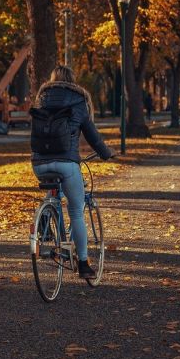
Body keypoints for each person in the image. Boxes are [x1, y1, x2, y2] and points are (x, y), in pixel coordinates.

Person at [31, 65, 114, 279]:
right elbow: (93, 136)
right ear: (72, 80)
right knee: (76, 211)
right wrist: (106, 153)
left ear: (52, 80)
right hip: (67, 163)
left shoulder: (41, 98)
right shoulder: (79, 101)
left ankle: (45, 213)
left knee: (52, 187)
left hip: (39, 163)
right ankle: (84, 264)